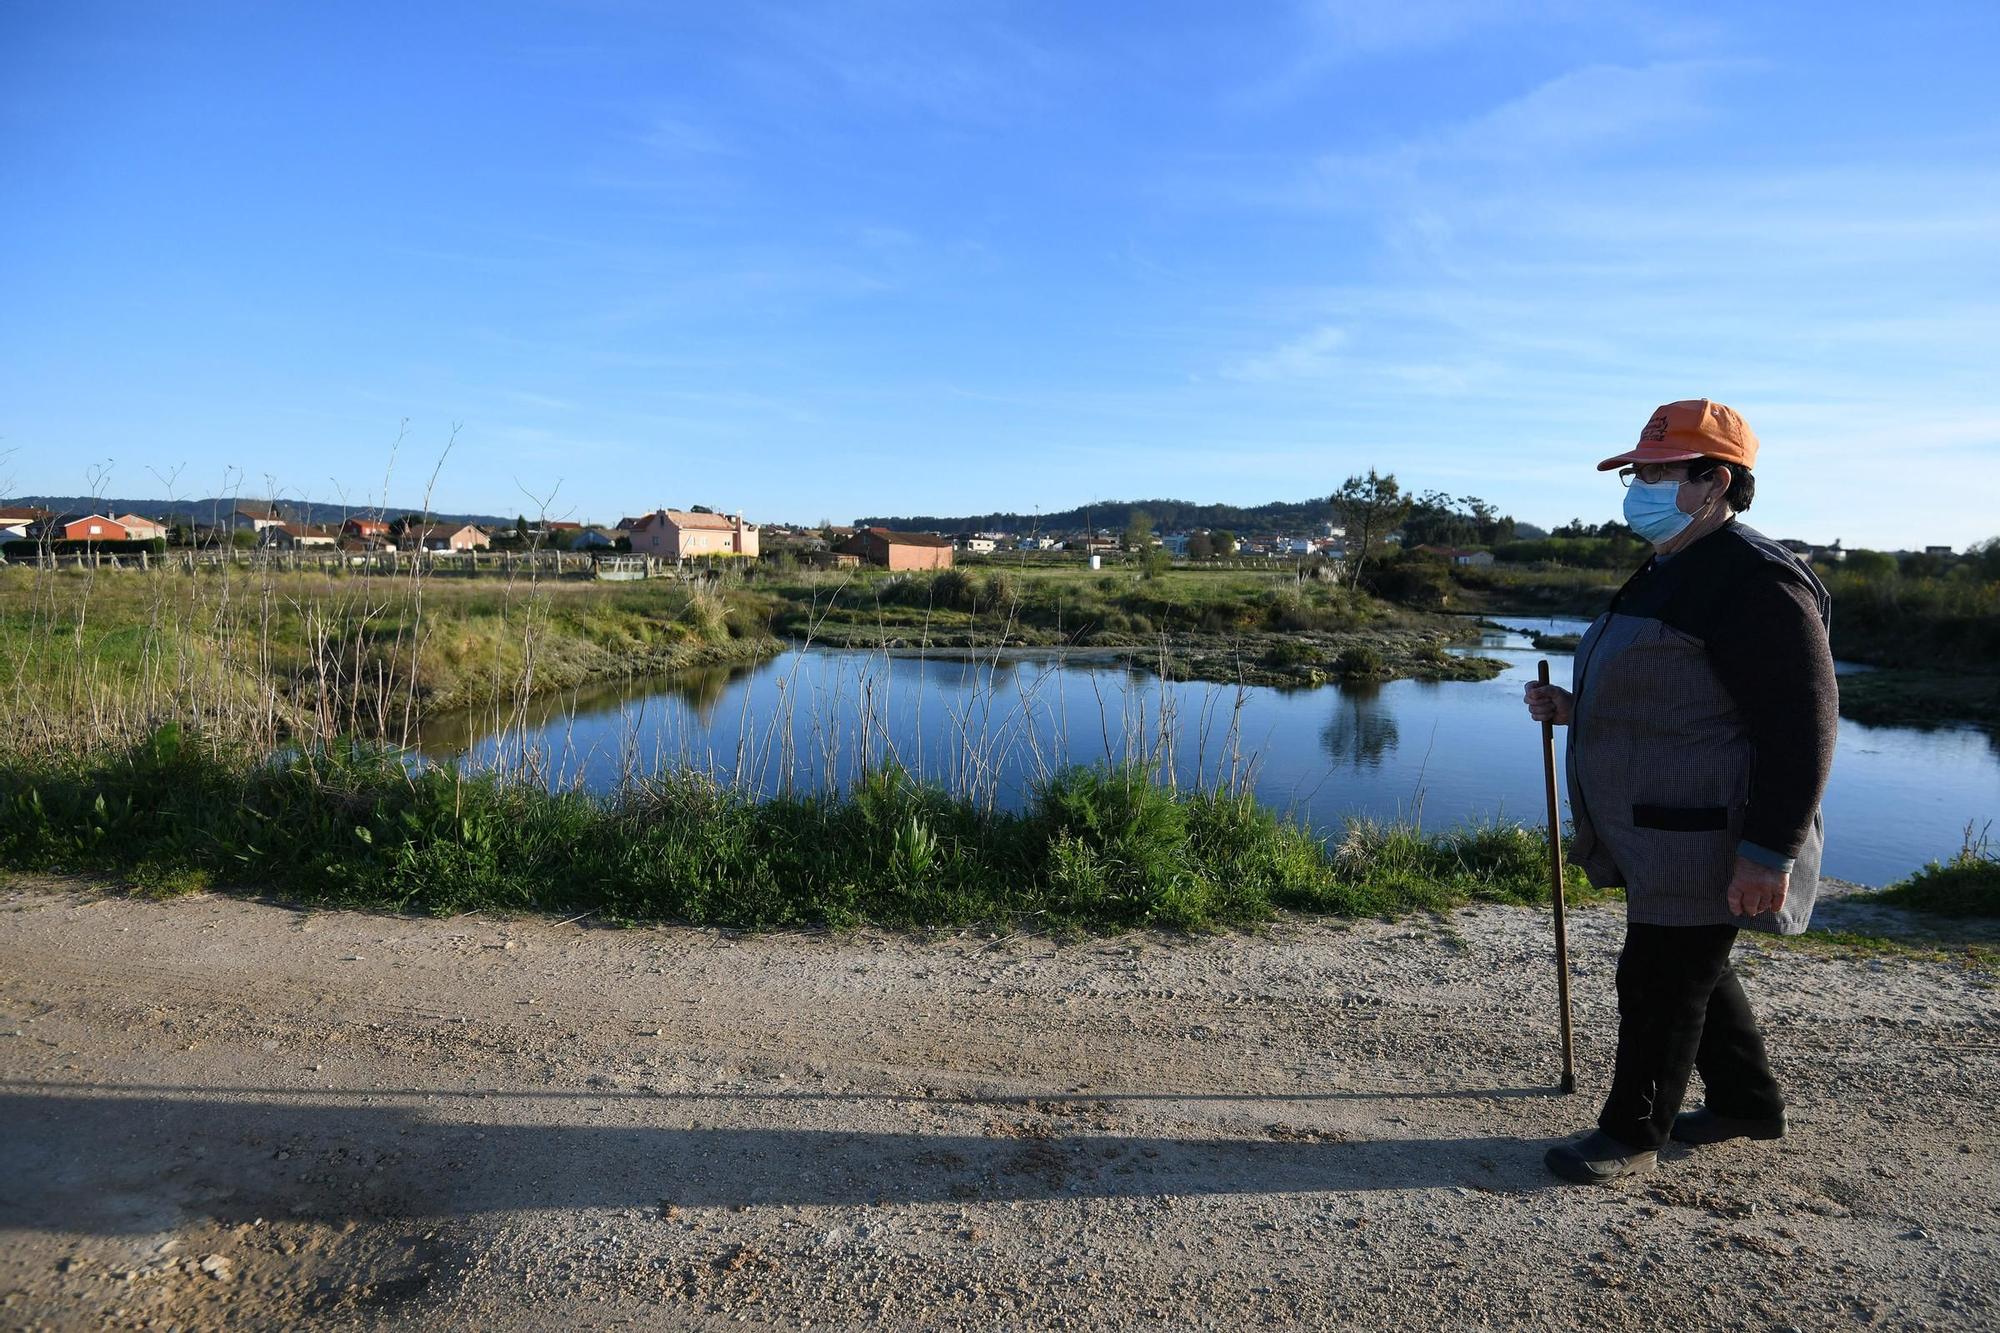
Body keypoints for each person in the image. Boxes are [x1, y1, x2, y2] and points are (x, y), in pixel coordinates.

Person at [1524, 398, 1837, 1185]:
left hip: (1709, 833)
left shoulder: (1758, 581)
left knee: (1660, 975)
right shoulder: (1668, 565)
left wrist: (1768, 853)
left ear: (1715, 480)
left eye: (1659, 471)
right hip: (1659, 830)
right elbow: (1670, 689)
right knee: (1696, 962)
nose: (1640, 484)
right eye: (1638, 470)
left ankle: (1633, 1131)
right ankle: (1746, 1101)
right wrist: (1574, 708)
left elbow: (1802, 730)